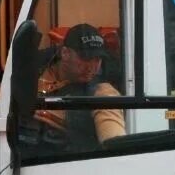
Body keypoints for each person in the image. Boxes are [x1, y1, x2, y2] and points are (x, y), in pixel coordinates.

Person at [26, 23, 126, 151]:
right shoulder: (32, 73)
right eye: (85, 57)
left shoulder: (102, 91)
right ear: (65, 53)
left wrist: (64, 121)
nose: (92, 67)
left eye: (97, 59)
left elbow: (114, 143)